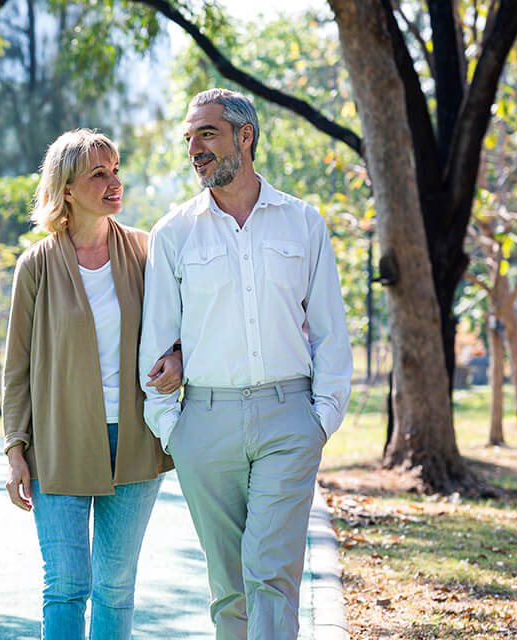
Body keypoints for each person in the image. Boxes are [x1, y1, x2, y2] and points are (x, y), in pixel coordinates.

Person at [138, 89, 352, 640]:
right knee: (229, 588)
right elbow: (156, 348)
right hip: (204, 423)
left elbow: (331, 331)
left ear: (245, 136)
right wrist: (173, 430)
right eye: (189, 138)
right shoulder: (173, 233)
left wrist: (320, 419)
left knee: (271, 575)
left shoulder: (303, 223)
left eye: (207, 134)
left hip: (289, 418)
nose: (195, 150)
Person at [2, 128, 183, 640]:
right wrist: (15, 447)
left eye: (116, 170)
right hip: (57, 446)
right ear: (65, 189)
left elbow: (184, 326)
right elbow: (16, 367)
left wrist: (178, 357)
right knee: (64, 584)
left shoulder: (148, 252)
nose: (113, 182)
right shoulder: (35, 265)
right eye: (97, 174)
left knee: (115, 587)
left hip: (134, 443)